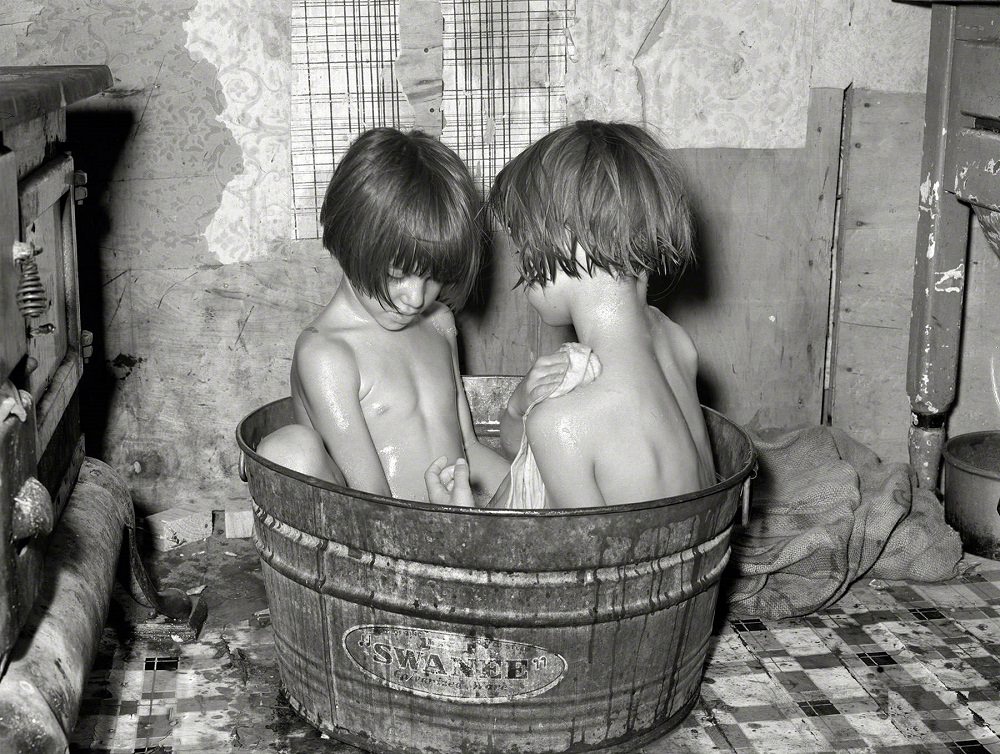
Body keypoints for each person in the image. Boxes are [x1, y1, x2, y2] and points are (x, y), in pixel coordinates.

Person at [425, 120, 716, 509]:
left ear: (566, 244)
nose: (518, 261)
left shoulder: (562, 423)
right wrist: (517, 407)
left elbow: (570, 565)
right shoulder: (675, 342)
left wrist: (463, 523)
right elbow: (708, 489)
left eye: (521, 243)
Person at [258, 128, 509, 503]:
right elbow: (369, 498)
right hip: (377, 535)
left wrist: (535, 494)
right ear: (349, 245)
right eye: (396, 275)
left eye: (434, 277)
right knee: (287, 449)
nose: (415, 298)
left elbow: (469, 450)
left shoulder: (439, 323)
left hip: (456, 513)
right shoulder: (328, 355)